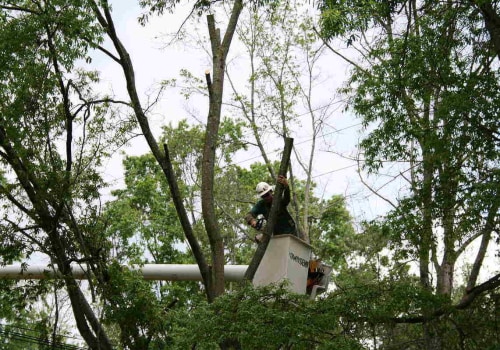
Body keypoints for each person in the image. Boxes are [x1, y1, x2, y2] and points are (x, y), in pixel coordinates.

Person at [244, 175, 297, 242]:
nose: (266, 197)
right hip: (277, 234)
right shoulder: (261, 205)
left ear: (271, 191)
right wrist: (252, 221)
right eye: (263, 196)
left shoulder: (277, 199)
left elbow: (287, 199)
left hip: (290, 230)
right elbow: (248, 215)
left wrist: (286, 186)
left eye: (267, 194)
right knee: (258, 238)